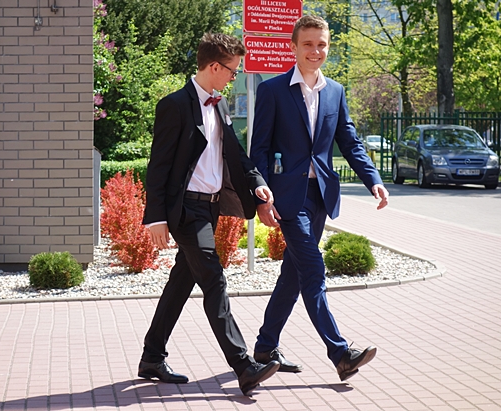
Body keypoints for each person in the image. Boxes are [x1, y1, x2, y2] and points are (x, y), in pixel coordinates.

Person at [138, 32, 280, 396]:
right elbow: (158, 166)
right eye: (232, 70)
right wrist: (155, 217)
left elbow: (236, 154)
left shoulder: (220, 105)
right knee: (214, 281)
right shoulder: (174, 105)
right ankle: (243, 365)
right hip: (186, 209)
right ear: (214, 67)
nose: (234, 77)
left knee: (182, 281)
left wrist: (258, 184)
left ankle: (152, 357)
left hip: (211, 206)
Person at [250, 15, 390, 381]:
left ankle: (265, 346)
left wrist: (373, 180)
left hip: (320, 196)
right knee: (313, 270)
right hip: (287, 198)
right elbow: (258, 149)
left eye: (322, 44)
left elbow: (349, 141)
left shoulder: (336, 92)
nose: (316, 51)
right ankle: (340, 354)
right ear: (294, 47)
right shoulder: (273, 90)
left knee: (293, 274)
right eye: (308, 44)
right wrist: (261, 198)